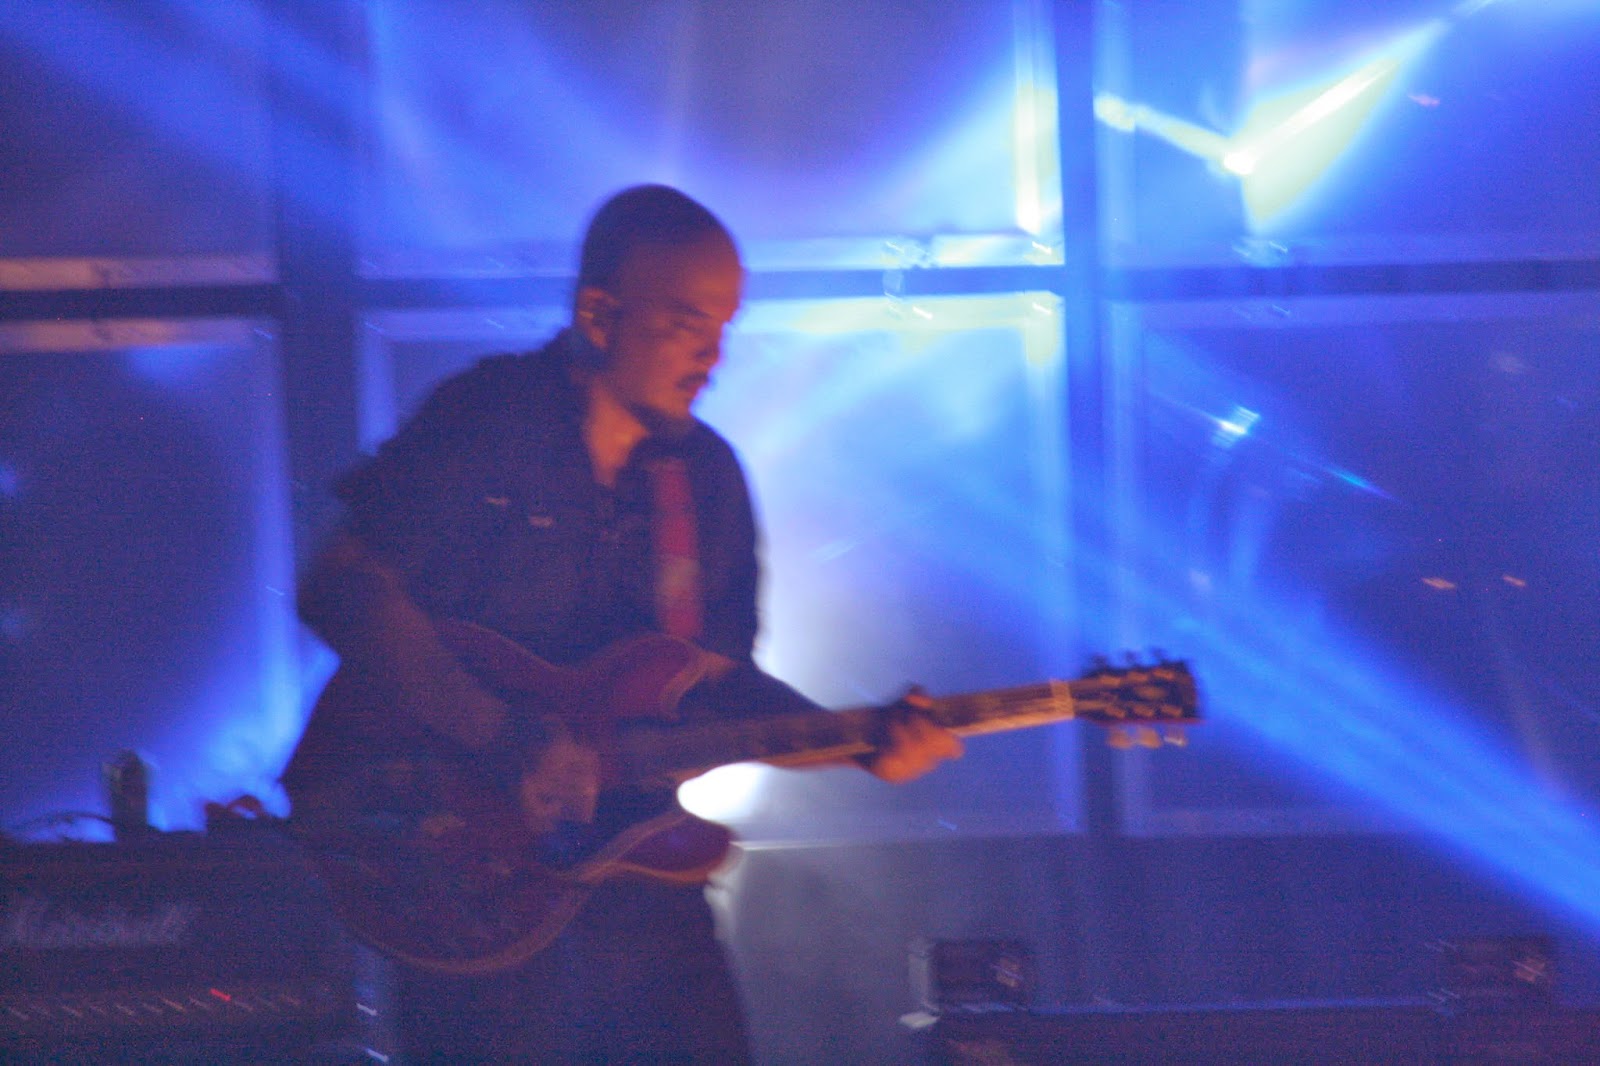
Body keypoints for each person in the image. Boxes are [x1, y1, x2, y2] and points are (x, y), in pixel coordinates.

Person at [282, 184, 963, 1062]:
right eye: (687, 324)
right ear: (599, 315)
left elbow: (721, 688)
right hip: (467, 870)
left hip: (639, 882)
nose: (714, 355)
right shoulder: (487, 421)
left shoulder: (706, 478)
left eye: (725, 326)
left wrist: (862, 740)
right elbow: (342, 587)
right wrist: (504, 735)